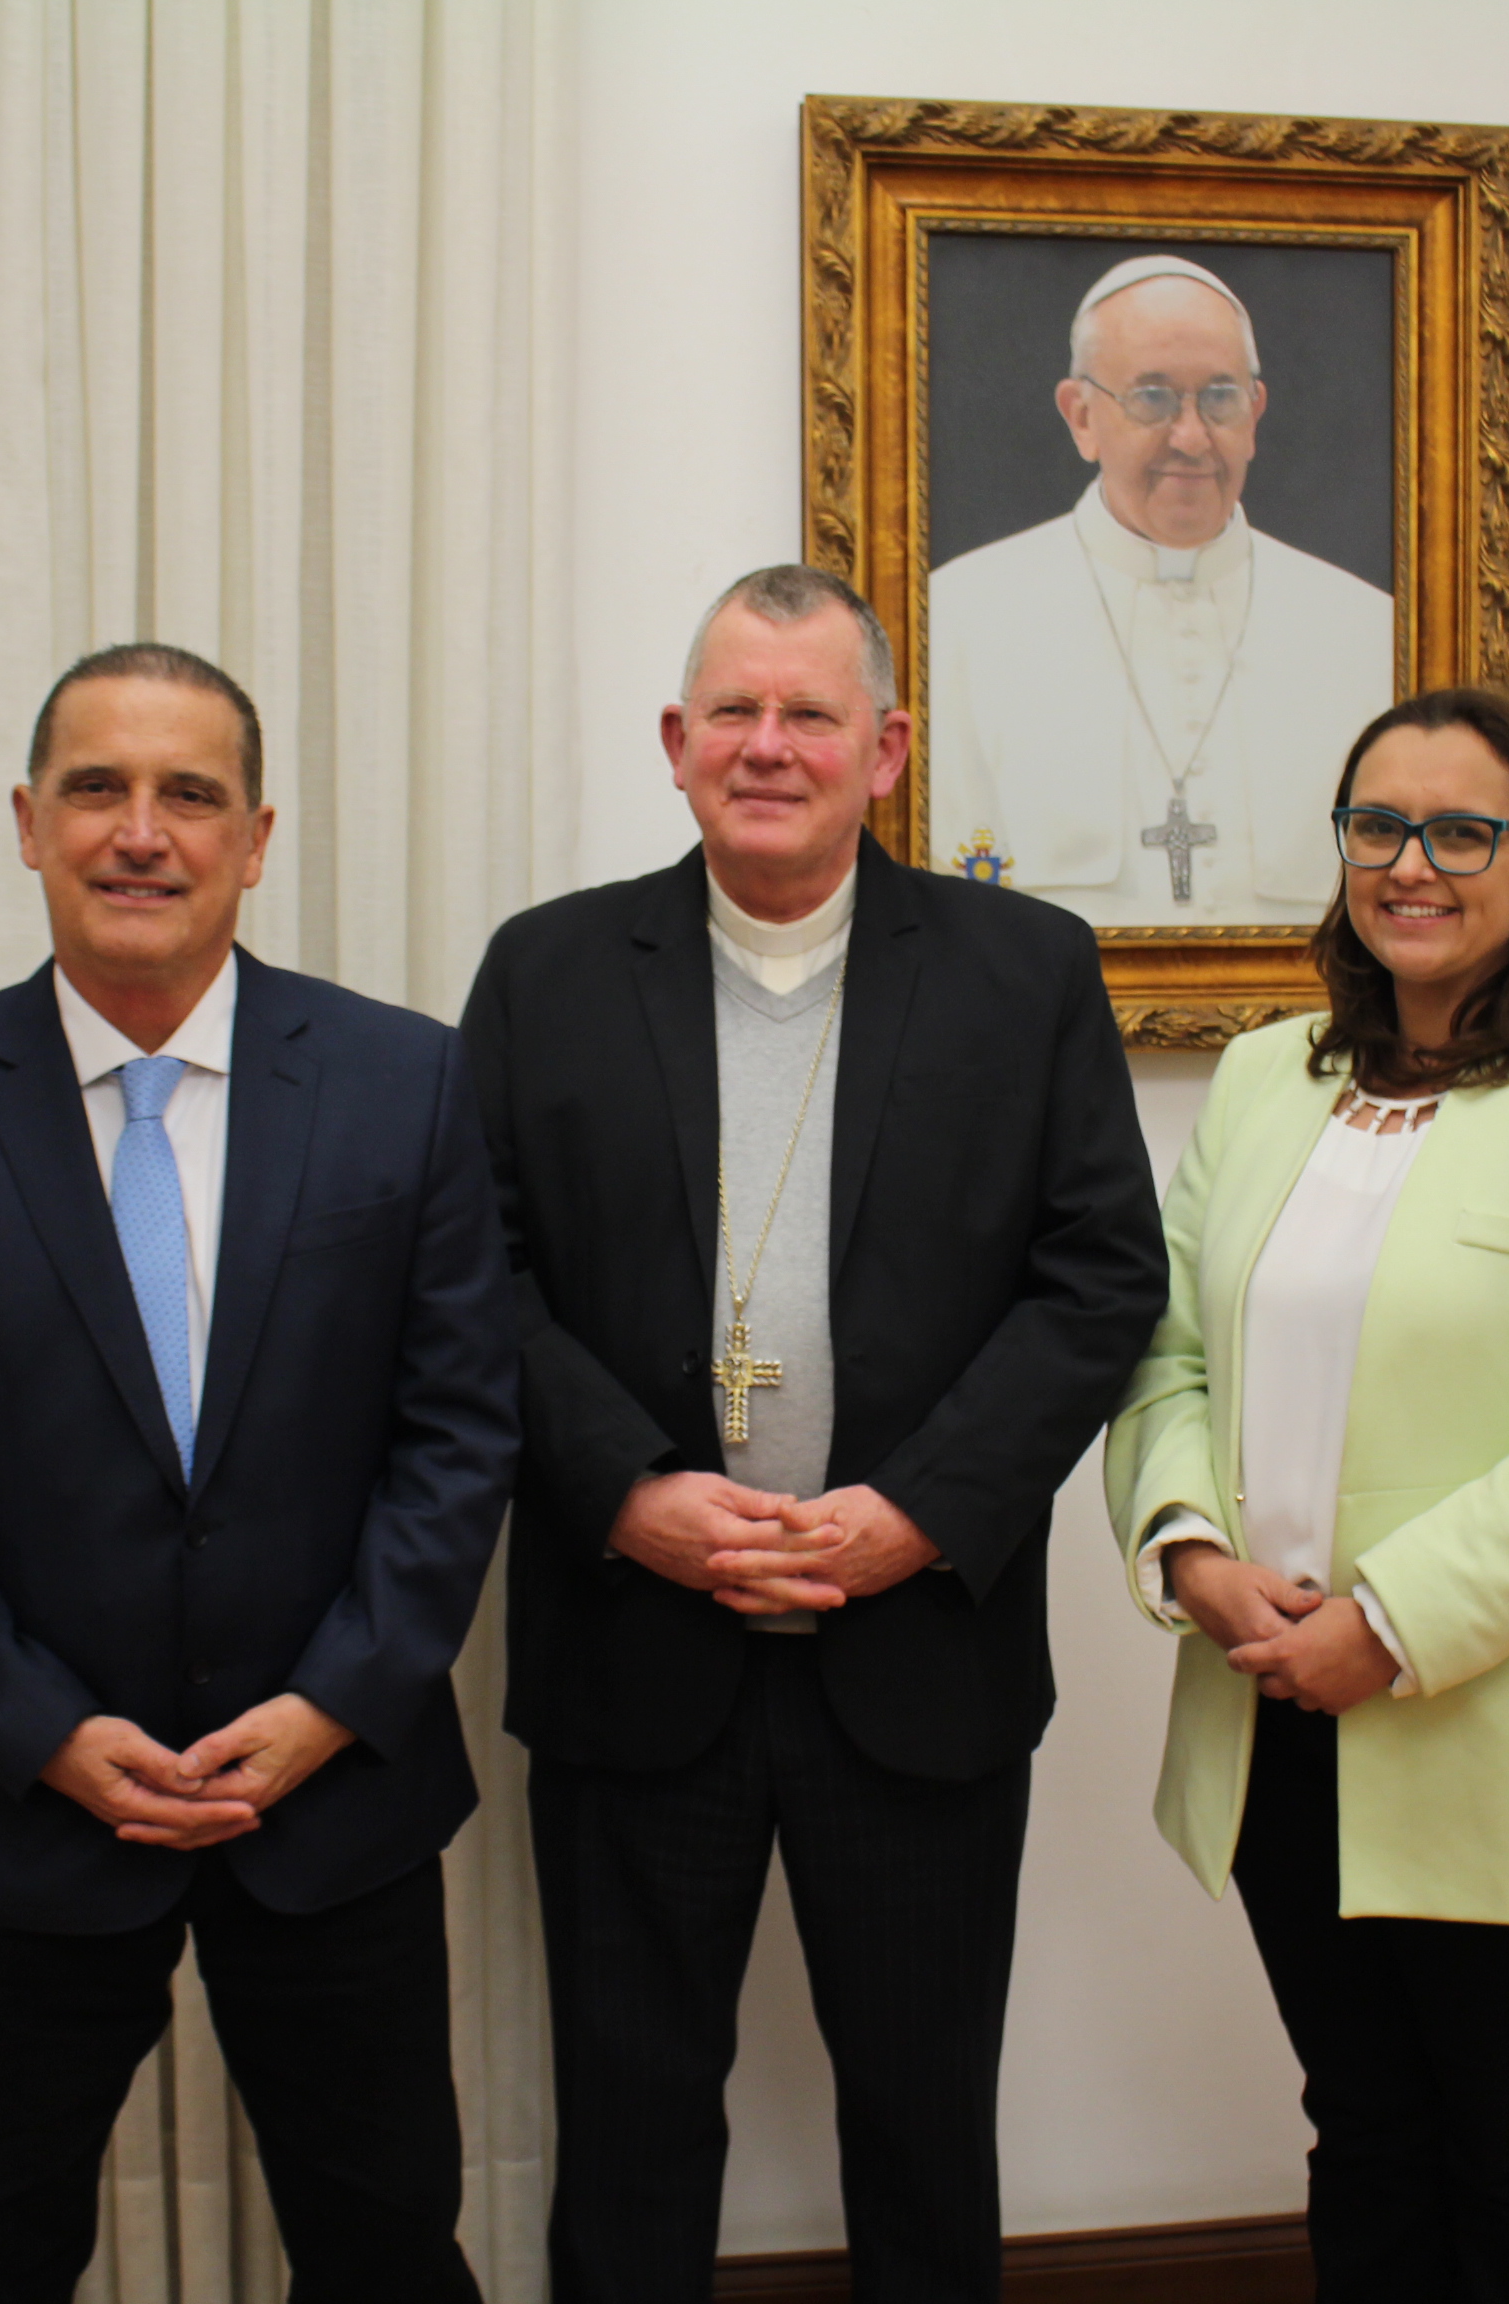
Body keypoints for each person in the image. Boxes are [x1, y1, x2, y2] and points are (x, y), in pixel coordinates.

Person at [461, 565, 1167, 2302]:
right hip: (638, 1648)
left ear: (887, 747)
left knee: (924, 2133)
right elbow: (465, 1271)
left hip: (915, 1653)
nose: (766, 746)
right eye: (733, 712)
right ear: (674, 740)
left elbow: (1100, 1276)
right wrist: (624, 1493)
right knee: (629, 2135)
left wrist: (917, 1512)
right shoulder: (546, 970)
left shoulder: (1022, 970)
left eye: (810, 714)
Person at [0, 643, 518, 2303]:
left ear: (256, 836)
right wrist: (41, 1728)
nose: (143, 830)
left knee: (388, 2248)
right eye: (97, 788)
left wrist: (335, 1700)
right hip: (26, 1811)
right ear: (27, 823)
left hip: (329, 1799)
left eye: (188, 793)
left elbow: (458, 1426)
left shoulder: (402, 1083)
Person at [1104, 690, 1509, 2301]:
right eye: (1379, 827)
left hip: (1496, 1718)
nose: (1414, 863)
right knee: (1366, 2128)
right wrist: (1192, 1558)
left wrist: (1388, 1625)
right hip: (1274, 1709)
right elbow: (1165, 1354)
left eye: (1465, 831)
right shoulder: (1264, 1080)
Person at [927, 252, 1395, 925]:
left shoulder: (1366, 631)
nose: (1192, 436)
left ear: (1255, 413)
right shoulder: (955, 624)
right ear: (1081, 416)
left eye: (1220, 397)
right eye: (1152, 397)